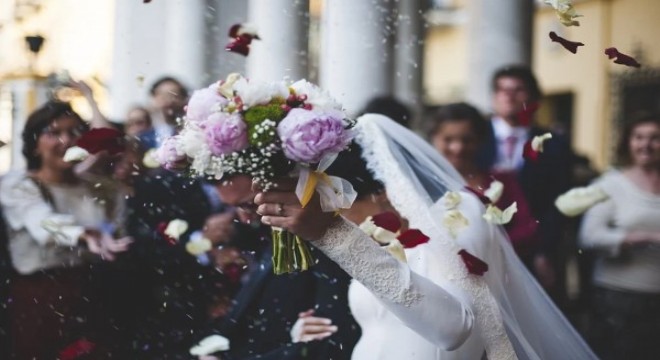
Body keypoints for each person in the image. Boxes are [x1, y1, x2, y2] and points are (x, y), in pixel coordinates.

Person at [254, 114, 596, 359]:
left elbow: (454, 330)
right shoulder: (387, 241)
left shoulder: (459, 214)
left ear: (383, 195)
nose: (341, 221)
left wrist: (335, 235)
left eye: (340, 209)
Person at [0, 101, 131, 358]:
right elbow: (44, 223)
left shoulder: (102, 188)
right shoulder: (19, 185)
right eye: (54, 133)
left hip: (94, 291)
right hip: (40, 296)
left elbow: (117, 230)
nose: (67, 141)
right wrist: (84, 234)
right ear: (35, 143)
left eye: (74, 132)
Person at [195, 174, 360, 360]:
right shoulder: (267, 236)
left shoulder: (323, 235)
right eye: (232, 208)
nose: (243, 218)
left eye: (249, 204)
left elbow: (333, 339)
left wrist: (299, 345)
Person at [478, 65, 574, 293]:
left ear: (533, 96)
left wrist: (544, 251)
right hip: (482, 244)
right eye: (502, 89)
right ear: (494, 96)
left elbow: (559, 202)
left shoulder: (553, 145)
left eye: (518, 89)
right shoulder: (475, 138)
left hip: (533, 251)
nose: (508, 95)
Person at [578, 113, 660, 360]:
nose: (646, 144)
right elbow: (589, 236)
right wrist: (646, 237)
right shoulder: (609, 184)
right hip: (618, 299)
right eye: (639, 137)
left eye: (655, 138)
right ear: (628, 142)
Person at [429, 102, 539, 264]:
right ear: (434, 139)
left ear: (480, 140)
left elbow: (527, 228)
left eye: (467, 140)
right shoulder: (423, 182)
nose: (458, 147)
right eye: (448, 139)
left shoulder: (502, 181)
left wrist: (486, 245)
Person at [138, 76, 189, 149]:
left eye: (174, 96)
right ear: (153, 98)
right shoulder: (142, 138)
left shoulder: (188, 134)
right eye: (164, 96)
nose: (169, 101)